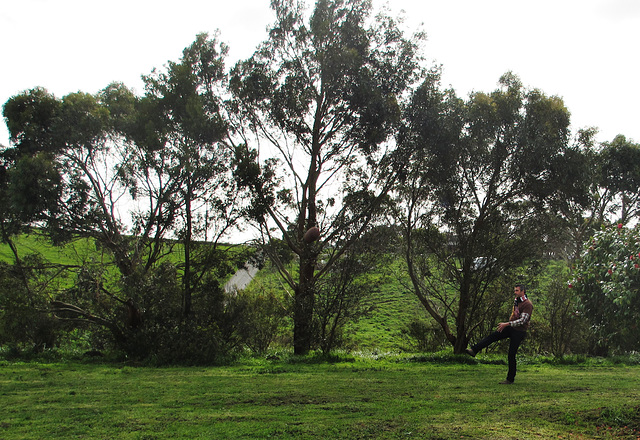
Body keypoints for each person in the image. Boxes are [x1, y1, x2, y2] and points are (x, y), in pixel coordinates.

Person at [465, 283, 533, 384]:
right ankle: (474, 350)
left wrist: (507, 323)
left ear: (523, 291)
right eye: (514, 290)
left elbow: (522, 321)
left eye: (517, 290)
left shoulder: (527, 304)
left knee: (511, 354)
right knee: (493, 336)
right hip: (511, 327)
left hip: (519, 331)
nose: (515, 292)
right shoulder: (516, 301)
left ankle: (510, 379)